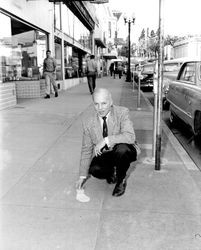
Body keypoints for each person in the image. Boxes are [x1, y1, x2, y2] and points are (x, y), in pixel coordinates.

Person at [76, 88, 139, 197]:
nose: (100, 108)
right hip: (107, 154)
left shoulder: (122, 113)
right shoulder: (89, 123)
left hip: (124, 150)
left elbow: (130, 136)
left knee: (122, 150)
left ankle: (121, 180)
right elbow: (86, 150)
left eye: (104, 103)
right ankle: (112, 172)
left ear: (111, 102)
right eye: (96, 104)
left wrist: (106, 140)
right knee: (94, 169)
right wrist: (82, 176)